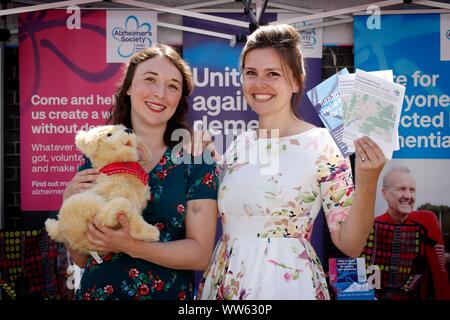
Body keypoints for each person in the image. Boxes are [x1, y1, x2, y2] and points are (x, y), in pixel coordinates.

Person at [197, 24, 386, 300]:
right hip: (225, 283)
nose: (259, 84)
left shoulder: (323, 144)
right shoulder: (239, 145)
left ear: (297, 81)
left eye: (273, 74)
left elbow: (351, 245)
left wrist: (368, 182)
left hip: (288, 285)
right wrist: (206, 157)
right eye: (251, 73)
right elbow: (220, 205)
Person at [63, 44, 219, 300]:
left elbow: (200, 255)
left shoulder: (195, 158)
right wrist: (69, 202)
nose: (160, 93)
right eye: (150, 80)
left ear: (180, 98)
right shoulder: (98, 154)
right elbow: (80, 258)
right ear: (128, 88)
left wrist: (132, 246)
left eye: (173, 86)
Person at [362, 166, 450, 300]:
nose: (408, 196)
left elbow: (440, 272)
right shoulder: (371, 226)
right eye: (401, 189)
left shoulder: (426, 221)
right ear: (385, 193)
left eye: (412, 190)